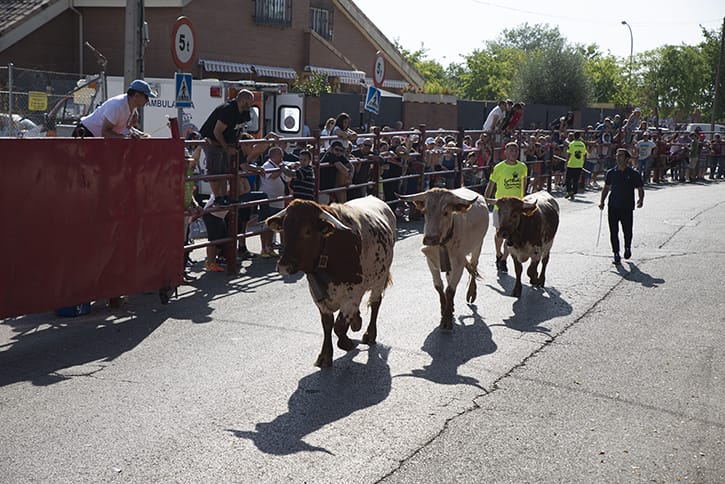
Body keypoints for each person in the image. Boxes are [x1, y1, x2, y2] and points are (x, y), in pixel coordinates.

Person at [199, 89, 256, 204]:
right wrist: (226, 147)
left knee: (225, 170)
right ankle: (218, 197)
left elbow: (240, 128)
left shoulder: (244, 112)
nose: (251, 104)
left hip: (228, 141)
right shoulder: (228, 110)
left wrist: (236, 143)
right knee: (215, 170)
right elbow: (217, 131)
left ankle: (225, 196)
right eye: (250, 101)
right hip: (213, 140)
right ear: (243, 100)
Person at [484, 141, 528, 273]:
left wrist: (523, 200)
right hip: (501, 207)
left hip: (515, 208)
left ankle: (504, 259)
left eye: (516, 151)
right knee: (499, 232)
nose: (514, 153)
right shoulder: (499, 168)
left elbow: (524, 184)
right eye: (511, 151)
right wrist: (486, 199)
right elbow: (491, 184)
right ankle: (498, 254)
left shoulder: (522, 167)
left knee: (511, 234)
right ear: (505, 152)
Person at [599, 148, 644, 265]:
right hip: (613, 205)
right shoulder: (611, 173)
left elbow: (640, 188)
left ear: (627, 158)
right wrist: (602, 201)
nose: (618, 158)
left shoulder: (633, 174)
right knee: (613, 231)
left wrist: (640, 200)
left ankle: (627, 247)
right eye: (617, 155)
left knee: (627, 230)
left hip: (627, 206)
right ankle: (616, 253)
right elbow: (606, 187)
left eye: (621, 156)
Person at [74, 79, 156, 138]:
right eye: (146, 97)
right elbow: (105, 132)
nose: (148, 100)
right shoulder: (117, 106)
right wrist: (126, 138)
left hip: (95, 137)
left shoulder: (132, 107)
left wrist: (140, 134)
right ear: (136, 95)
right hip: (85, 134)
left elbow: (126, 128)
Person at [259, 146, 295, 257]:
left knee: (277, 224)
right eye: (280, 155)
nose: (282, 157)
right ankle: (265, 248)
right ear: (274, 156)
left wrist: (289, 168)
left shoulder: (281, 165)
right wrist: (281, 169)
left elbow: (288, 177)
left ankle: (273, 247)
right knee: (265, 224)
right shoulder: (267, 166)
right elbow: (272, 176)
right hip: (268, 198)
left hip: (279, 199)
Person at [565, 131, 587, 200]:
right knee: (576, 180)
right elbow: (585, 154)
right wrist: (583, 162)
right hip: (579, 164)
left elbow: (569, 154)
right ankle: (573, 191)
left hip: (571, 164)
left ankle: (569, 191)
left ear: (574, 136)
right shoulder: (582, 144)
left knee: (568, 179)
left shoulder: (571, 144)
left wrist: (566, 162)